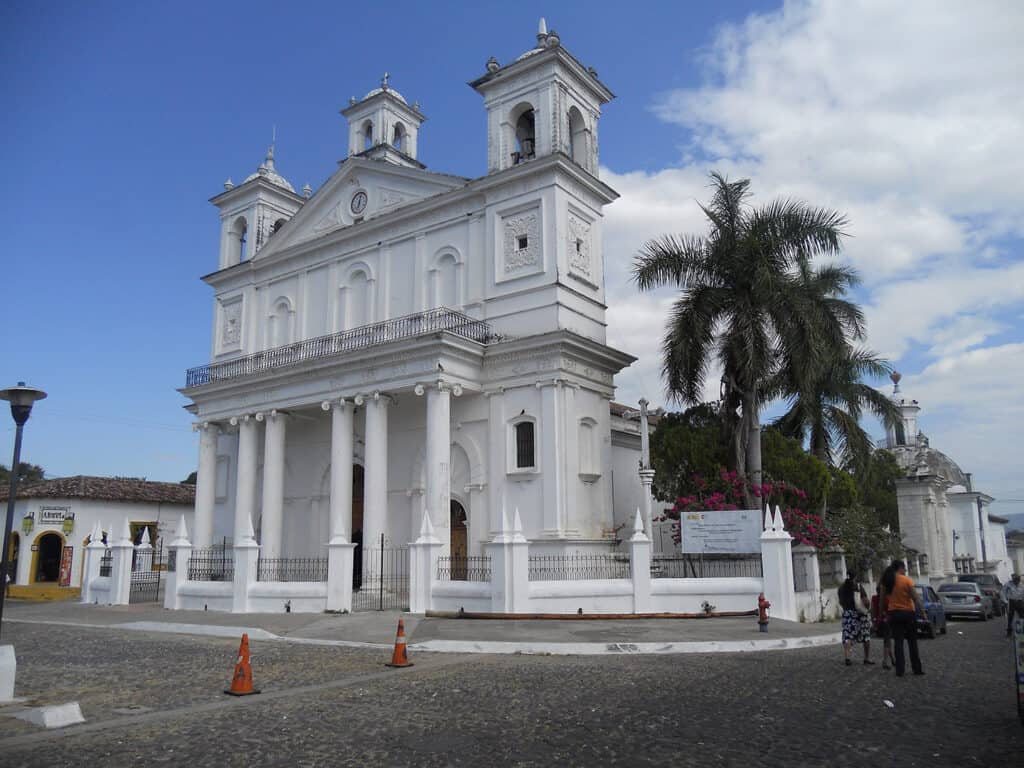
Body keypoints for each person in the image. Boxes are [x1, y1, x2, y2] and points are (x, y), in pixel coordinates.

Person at [881, 559, 926, 677]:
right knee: (912, 642)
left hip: (894, 614)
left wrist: (882, 613)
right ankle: (916, 668)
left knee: (898, 642)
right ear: (900, 568)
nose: (905, 571)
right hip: (908, 613)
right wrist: (923, 613)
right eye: (904, 568)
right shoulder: (906, 580)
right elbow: (916, 598)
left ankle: (900, 670)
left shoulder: (887, 581)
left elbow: (881, 600)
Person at [838, 572, 873, 666]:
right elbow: (865, 600)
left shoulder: (841, 588)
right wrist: (868, 607)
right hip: (859, 614)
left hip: (847, 614)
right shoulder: (857, 586)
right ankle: (866, 658)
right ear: (855, 576)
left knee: (847, 636)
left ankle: (847, 657)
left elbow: (840, 602)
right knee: (865, 635)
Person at [871, 577, 896, 670]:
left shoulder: (874, 598)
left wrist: (873, 622)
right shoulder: (886, 599)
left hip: (878, 622)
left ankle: (893, 659)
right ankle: (885, 661)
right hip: (886, 621)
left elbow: (872, 611)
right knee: (887, 641)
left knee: (888, 641)